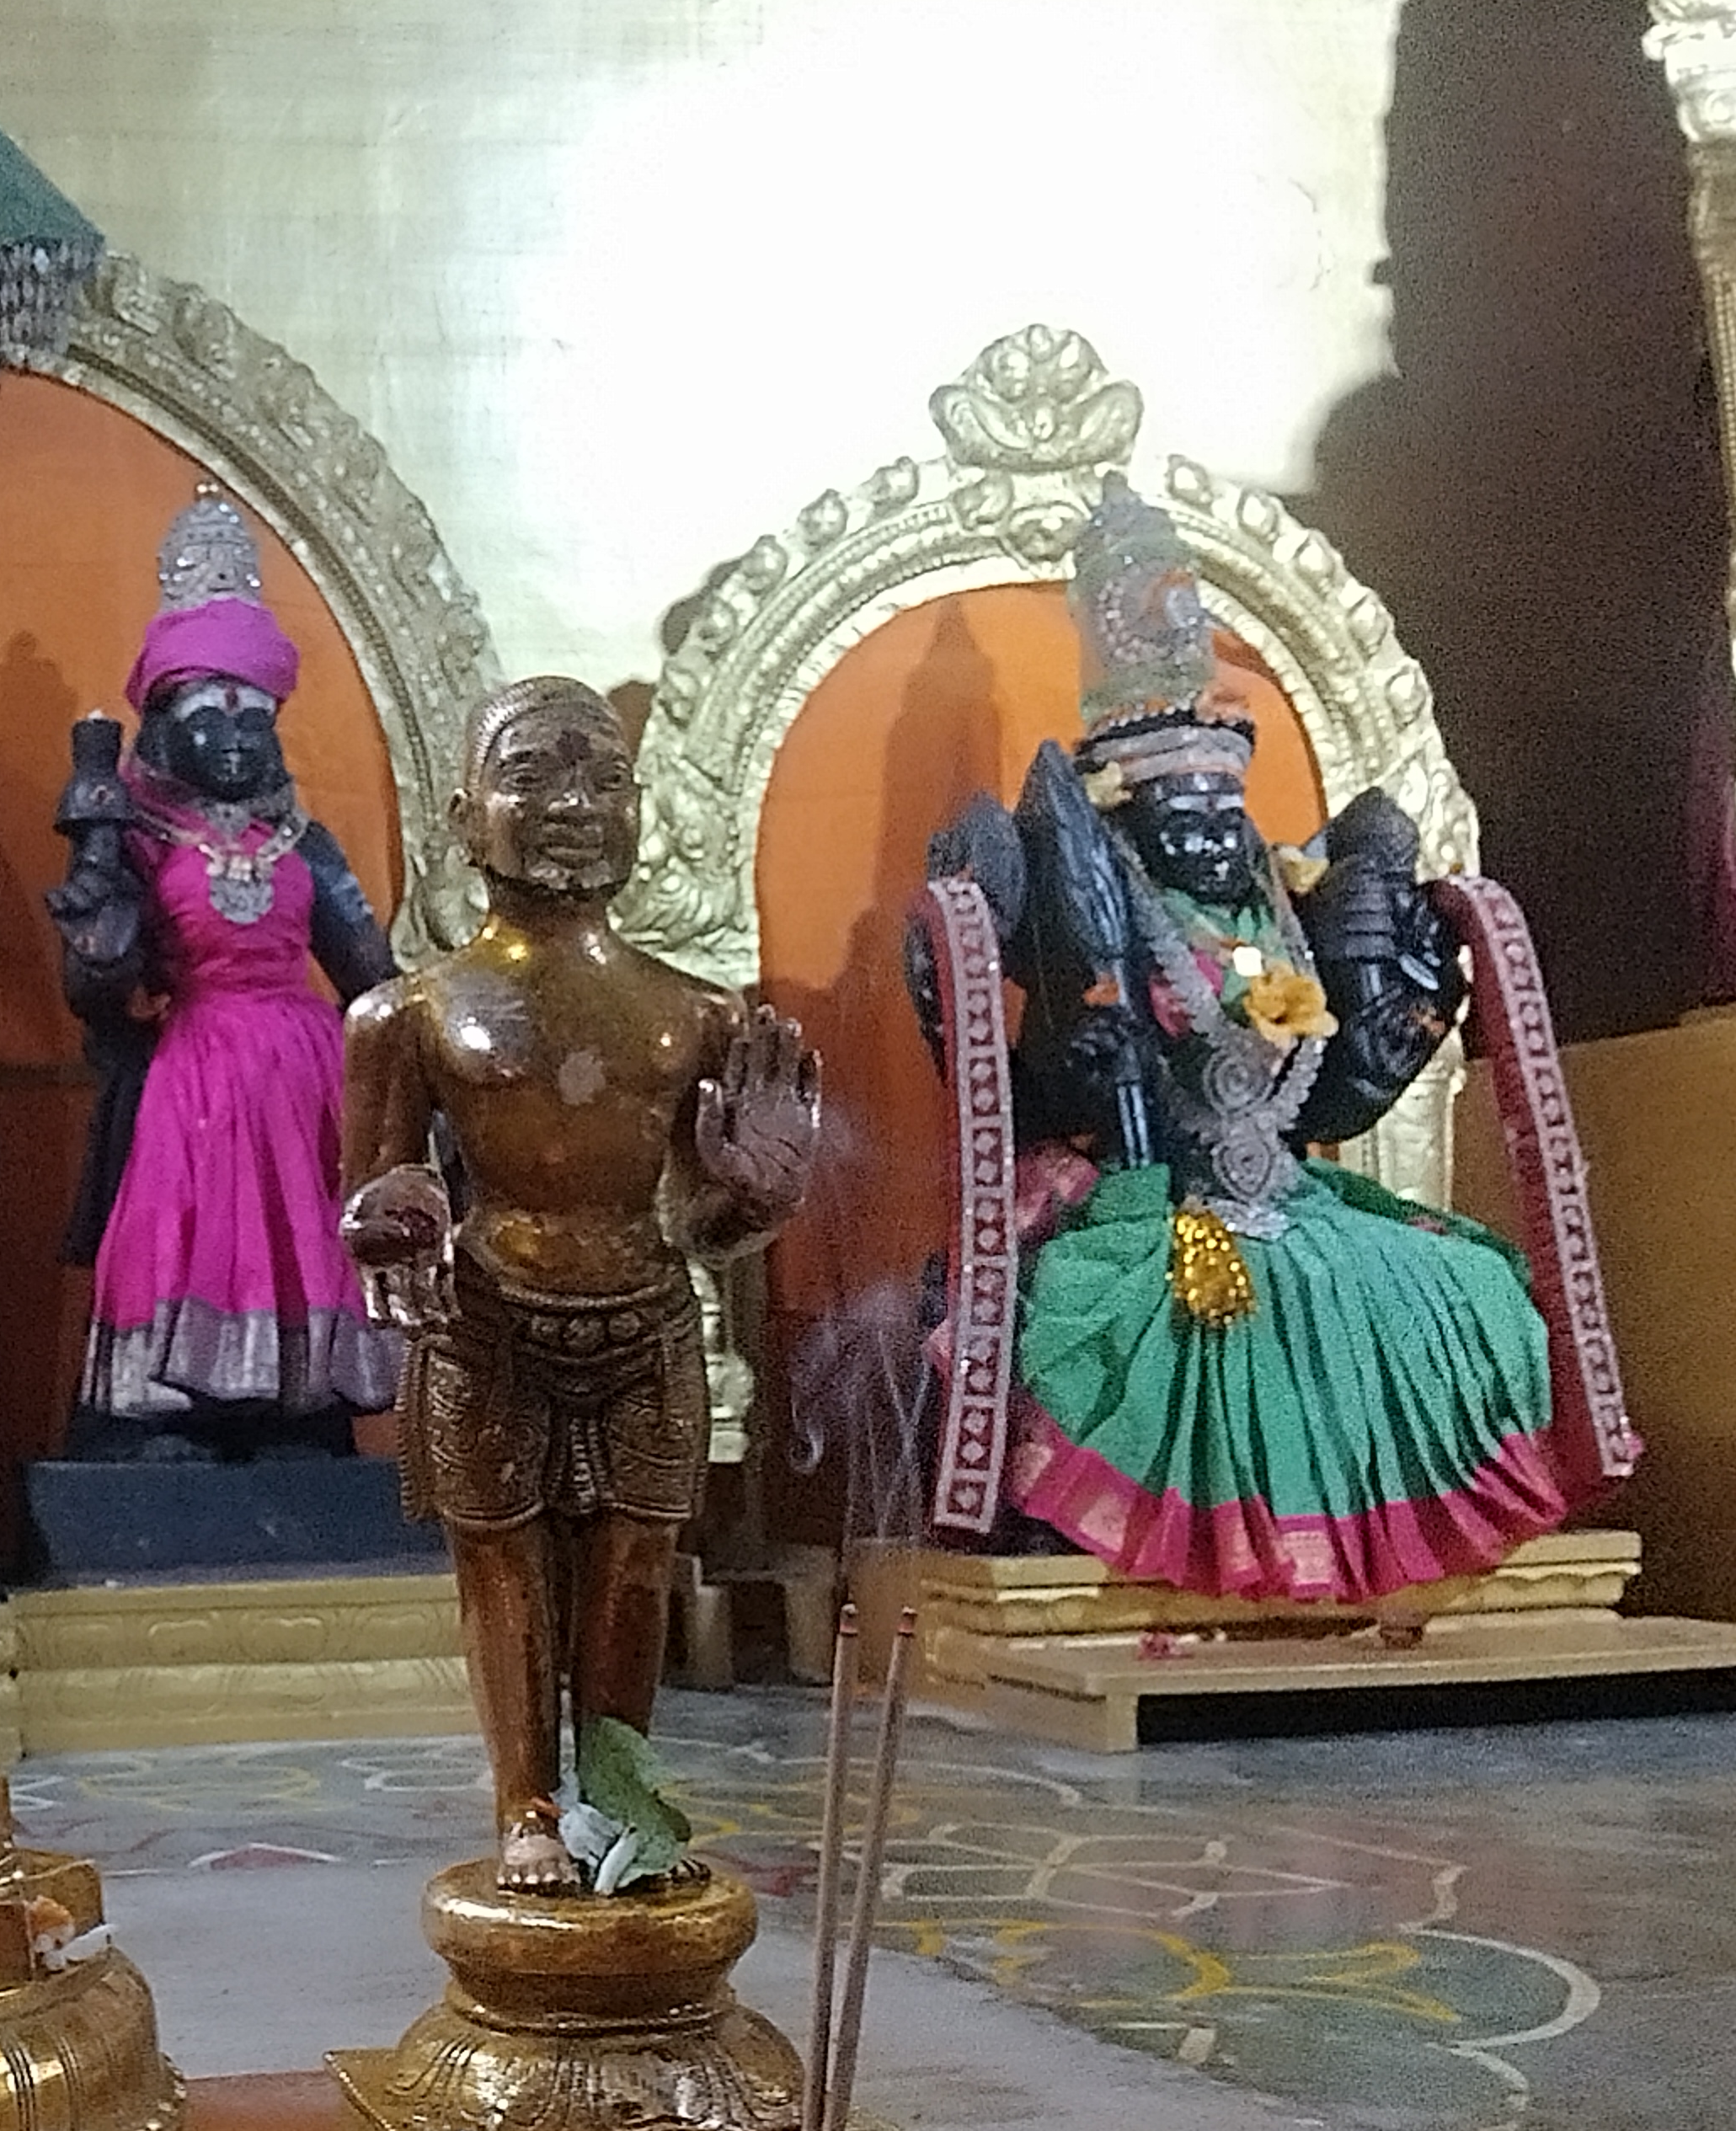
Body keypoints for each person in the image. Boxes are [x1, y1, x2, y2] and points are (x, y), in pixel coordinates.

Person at [916, 479, 1562, 1600]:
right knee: (1114, 1310)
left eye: (1228, 812)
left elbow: (1333, 1099)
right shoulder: (1095, 911)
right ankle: (1158, 1533)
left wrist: (1400, 1025)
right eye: (1185, 817)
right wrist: (1087, 1066)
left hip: (1294, 1197)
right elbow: (1017, 1080)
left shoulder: (1284, 907)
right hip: (1139, 1195)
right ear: (1129, 820)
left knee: (1470, 1289)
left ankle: (1379, 1542)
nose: (1214, 834)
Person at [340, 677, 818, 1894]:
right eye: (532, 775)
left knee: (634, 1574)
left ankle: (619, 1800)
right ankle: (528, 1805)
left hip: (645, 1317)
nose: (573, 804)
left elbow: (703, 1220)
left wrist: (756, 1198)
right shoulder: (410, 1015)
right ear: (464, 818)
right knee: (502, 1574)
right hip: (487, 1320)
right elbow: (375, 1188)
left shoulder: (695, 1016)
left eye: (606, 779)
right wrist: (396, 1224)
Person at [52, 487, 402, 1443]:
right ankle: (182, 1411)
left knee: (304, 1239)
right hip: (193, 1076)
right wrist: (96, 907)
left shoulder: (304, 841)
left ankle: (303, 1404)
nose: (237, 737)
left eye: (255, 716)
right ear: (168, 722)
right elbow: (96, 990)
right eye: (213, 713)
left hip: (307, 1080)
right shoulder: (137, 832)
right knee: (188, 1232)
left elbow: (372, 977)